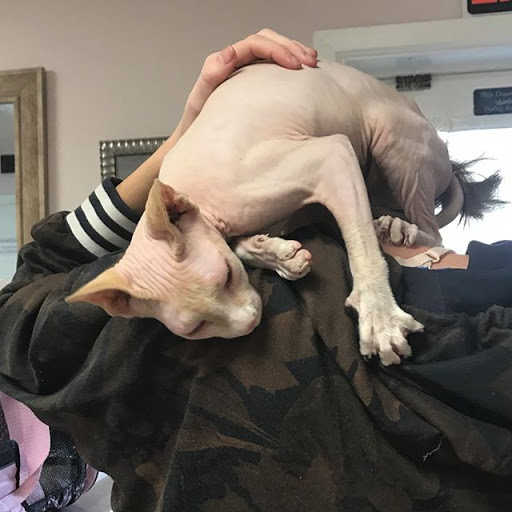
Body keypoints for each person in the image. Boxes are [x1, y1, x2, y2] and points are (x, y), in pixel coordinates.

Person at [0, 29, 511, 512]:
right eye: (198, 324)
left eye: (227, 277)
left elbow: (34, 277)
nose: (246, 319)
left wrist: (186, 136)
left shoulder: (48, 346)